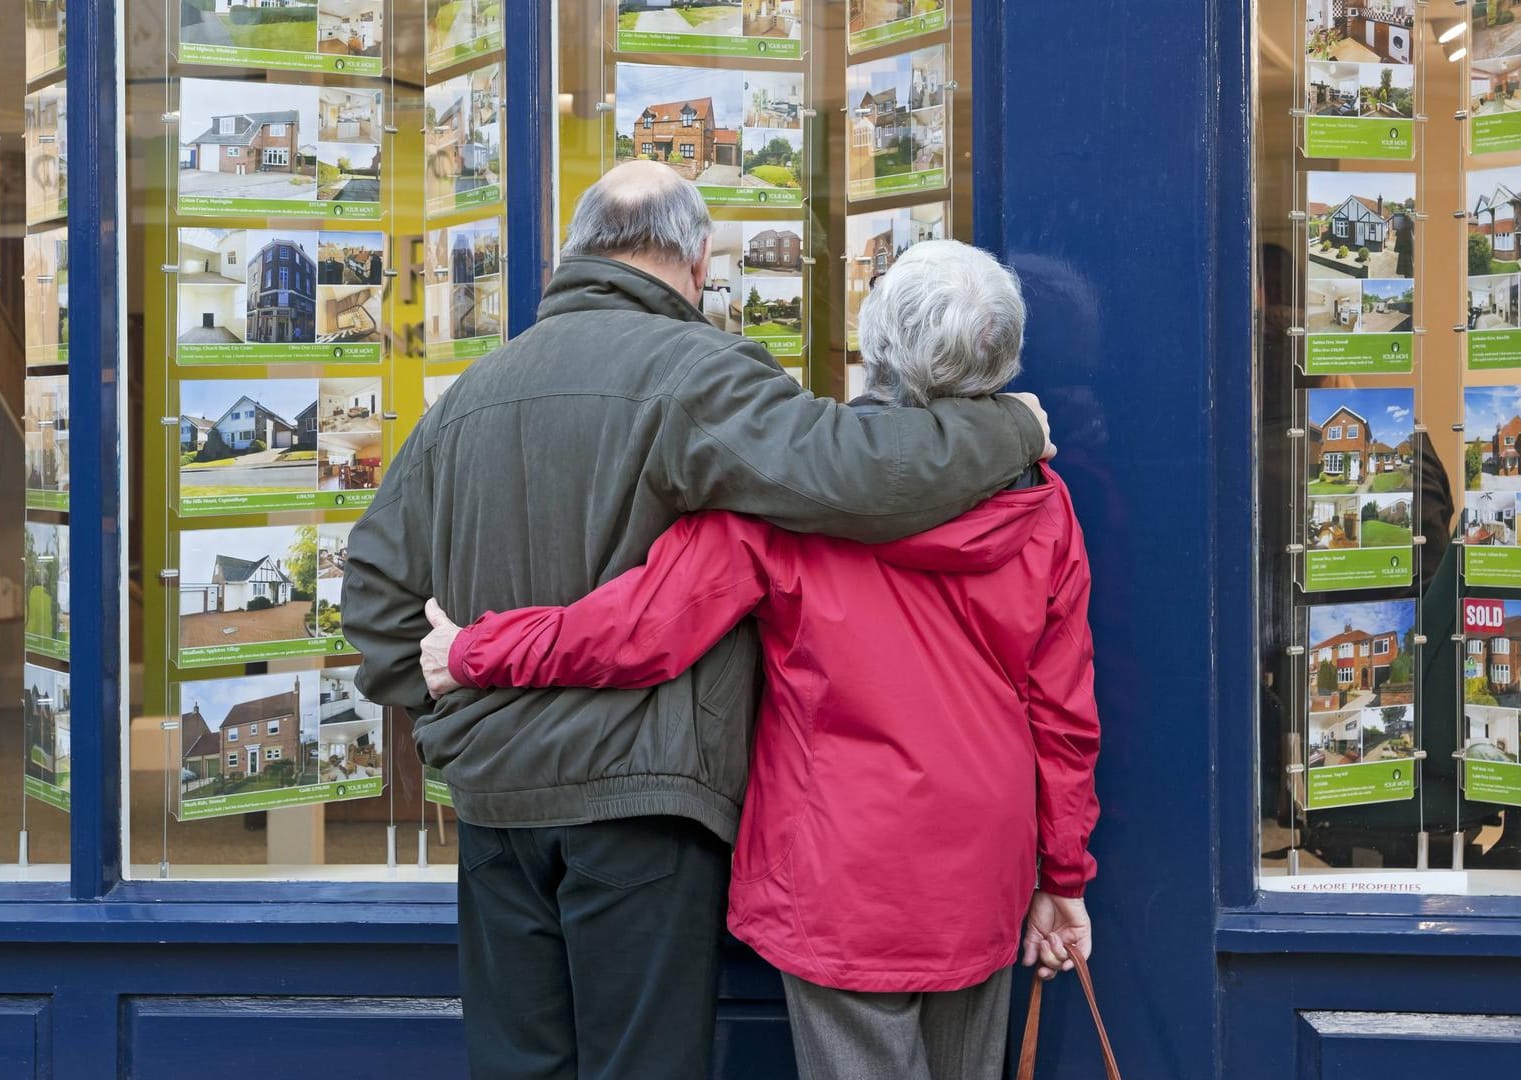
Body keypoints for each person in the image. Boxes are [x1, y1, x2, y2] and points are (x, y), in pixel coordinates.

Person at [342, 163, 1054, 1080]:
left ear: (579, 253)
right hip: (641, 804)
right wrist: (1014, 430)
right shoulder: (699, 373)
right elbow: (860, 473)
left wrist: (458, 722)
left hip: (495, 805)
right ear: (691, 260)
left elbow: (373, 596)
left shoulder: (471, 394)